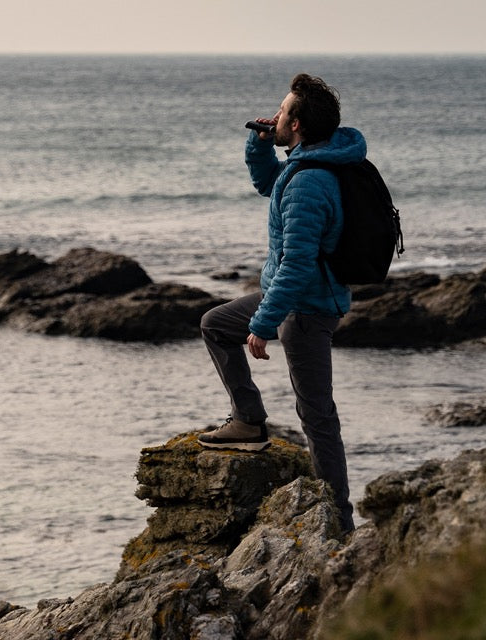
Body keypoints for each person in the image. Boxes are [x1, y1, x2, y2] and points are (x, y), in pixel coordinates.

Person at [198, 73, 364, 532]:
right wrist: (261, 144)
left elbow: (299, 263)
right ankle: (248, 421)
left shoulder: (312, 182)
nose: (275, 115)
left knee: (316, 415)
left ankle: (339, 521)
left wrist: (265, 321)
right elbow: (270, 186)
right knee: (216, 324)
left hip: (308, 308)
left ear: (299, 125)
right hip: (292, 297)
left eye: (283, 110)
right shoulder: (307, 163)